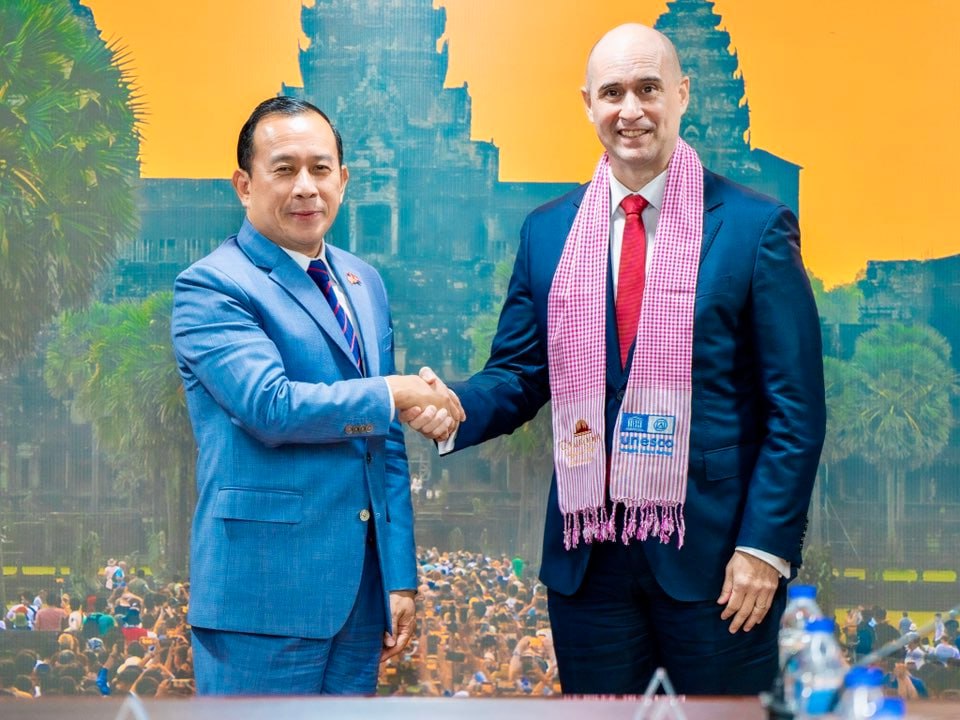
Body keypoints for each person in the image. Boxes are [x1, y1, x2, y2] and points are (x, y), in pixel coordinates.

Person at [410, 23, 825, 695]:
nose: (630, 110)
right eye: (612, 93)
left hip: (719, 564)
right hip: (589, 561)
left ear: (682, 94)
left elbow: (796, 410)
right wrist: (455, 405)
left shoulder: (753, 228)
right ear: (588, 104)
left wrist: (764, 548)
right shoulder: (548, 231)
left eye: (648, 89)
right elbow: (519, 373)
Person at [170, 96, 462, 695]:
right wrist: (394, 391)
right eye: (284, 169)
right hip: (262, 596)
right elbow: (271, 408)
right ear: (244, 185)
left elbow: (384, 443)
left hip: (360, 600)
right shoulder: (214, 285)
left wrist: (398, 577)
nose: (306, 187)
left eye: (320, 169)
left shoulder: (363, 281)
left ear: (343, 181)